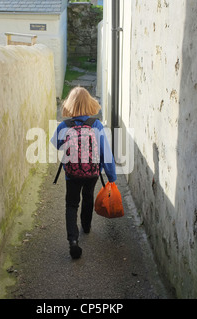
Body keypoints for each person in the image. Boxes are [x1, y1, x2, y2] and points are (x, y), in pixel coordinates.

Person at [51, 87, 117, 259]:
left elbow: (56, 144)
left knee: (71, 204)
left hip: (71, 174)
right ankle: (86, 226)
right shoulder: (96, 125)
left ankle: (73, 241)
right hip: (93, 173)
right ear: (90, 103)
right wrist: (111, 177)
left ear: (69, 105)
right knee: (88, 196)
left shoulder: (64, 126)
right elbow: (106, 153)